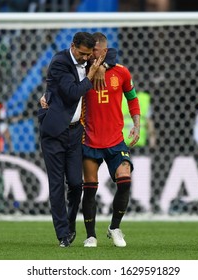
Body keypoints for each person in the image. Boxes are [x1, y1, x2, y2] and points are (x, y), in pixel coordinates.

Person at [38, 32, 103, 248]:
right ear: (72, 46)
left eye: (89, 54)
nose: (86, 58)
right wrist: (92, 72)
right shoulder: (60, 63)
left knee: (76, 183)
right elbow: (72, 92)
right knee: (57, 184)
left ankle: (70, 223)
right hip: (55, 132)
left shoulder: (88, 58)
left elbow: (109, 53)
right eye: (83, 54)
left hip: (75, 132)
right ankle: (63, 234)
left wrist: (99, 62)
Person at [81, 32, 140, 248]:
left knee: (124, 180)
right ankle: (90, 235)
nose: (90, 54)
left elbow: (132, 99)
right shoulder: (83, 71)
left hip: (116, 140)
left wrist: (137, 124)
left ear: (105, 52)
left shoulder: (121, 72)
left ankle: (114, 227)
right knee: (90, 187)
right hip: (90, 139)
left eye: (95, 50)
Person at [122, 90, 156, 154]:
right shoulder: (144, 98)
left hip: (123, 143)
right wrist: (152, 142)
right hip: (138, 144)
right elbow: (149, 122)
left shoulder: (120, 97)